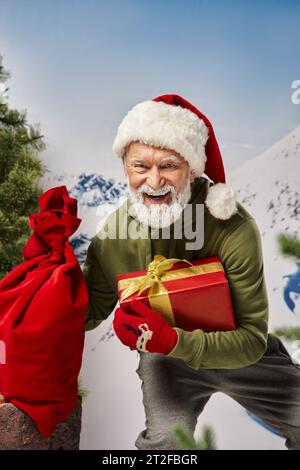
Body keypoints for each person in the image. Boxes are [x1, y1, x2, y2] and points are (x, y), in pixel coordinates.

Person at [83, 94, 300, 450]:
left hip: (237, 349)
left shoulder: (232, 226)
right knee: (166, 446)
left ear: (193, 168)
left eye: (169, 165)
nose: (154, 182)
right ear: (125, 167)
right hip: (165, 360)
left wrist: (174, 339)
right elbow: (85, 313)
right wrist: (51, 270)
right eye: (140, 167)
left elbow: (250, 339)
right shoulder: (113, 237)